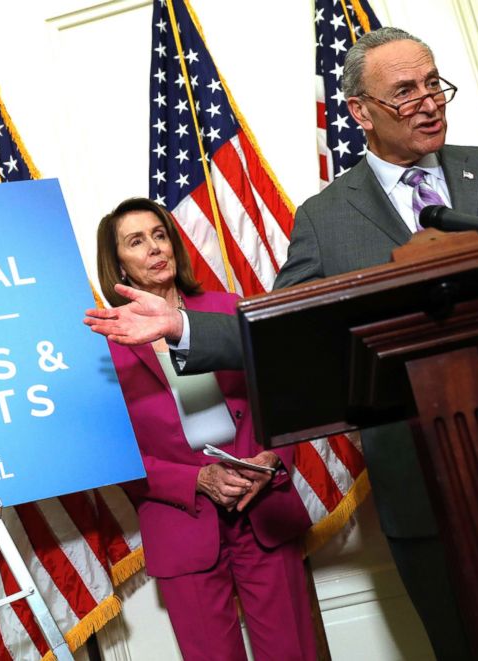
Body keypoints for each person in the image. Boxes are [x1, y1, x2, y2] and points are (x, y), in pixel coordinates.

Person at [85, 28, 478, 659]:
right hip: (425, 486)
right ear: (360, 111)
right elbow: (282, 329)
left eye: (433, 85)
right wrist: (183, 327)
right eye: (404, 92)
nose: (428, 102)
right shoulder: (325, 217)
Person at [96, 197, 317, 661]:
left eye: (160, 235)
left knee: (291, 651)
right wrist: (195, 479)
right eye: (137, 241)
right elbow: (113, 453)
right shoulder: (106, 346)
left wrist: (270, 460)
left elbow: (285, 394)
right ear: (118, 262)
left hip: (263, 512)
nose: (155, 248)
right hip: (182, 526)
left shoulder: (228, 310)